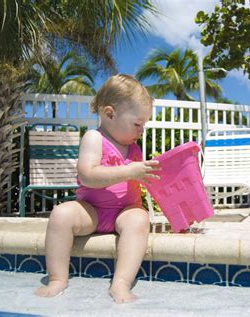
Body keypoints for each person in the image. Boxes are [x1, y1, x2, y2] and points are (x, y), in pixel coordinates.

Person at [35, 74, 160, 304]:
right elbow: (88, 175)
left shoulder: (134, 147)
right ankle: (57, 278)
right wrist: (129, 171)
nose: (141, 130)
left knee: (139, 220)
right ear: (109, 114)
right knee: (61, 214)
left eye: (144, 125)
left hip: (125, 211)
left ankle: (121, 283)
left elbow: (139, 181)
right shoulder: (94, 138)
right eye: (137, 124)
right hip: (90, 210)